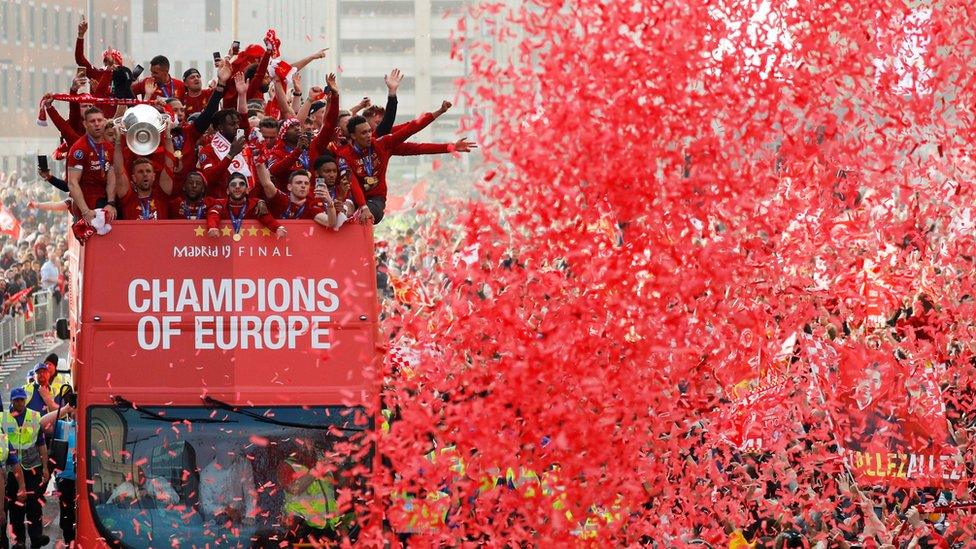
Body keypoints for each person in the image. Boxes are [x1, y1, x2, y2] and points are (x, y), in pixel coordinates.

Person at [334, 102, 452, 224]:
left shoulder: (381, 143)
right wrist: (362, 206)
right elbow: (352, 183)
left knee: (367, 216)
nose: (369, 135)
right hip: (354, 197)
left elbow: (410, 129)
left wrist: (440, 114)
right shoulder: (343, 155)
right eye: (364, 133)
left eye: (369, 131)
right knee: (345, 210)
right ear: (353, 135)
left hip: (376, 199)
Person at [5, 388, 49, 549]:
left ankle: (36, 537)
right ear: (11, 401)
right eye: (16, 400)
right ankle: (19, 541)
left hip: (32, 468)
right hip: (12, 471)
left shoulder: (34, 416)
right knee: (16, 507)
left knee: (34, 504)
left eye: (22, 400)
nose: (19, 403)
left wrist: (45, 467)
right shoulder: (3, 418)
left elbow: (41, 444)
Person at [278, 440, 343, 544]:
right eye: (303, 437)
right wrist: (317, 470)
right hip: (302, 530)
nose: (307, 441)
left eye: (311, 438)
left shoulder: (323, 459)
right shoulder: (287, 465)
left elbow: (338, 486)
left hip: (331, 527)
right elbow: (294, 488)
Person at [67, 107, 118, 224]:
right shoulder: (79, 149)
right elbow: (72, 182)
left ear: (104, 122)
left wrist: (110, 203)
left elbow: (111, 177)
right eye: (92, 121)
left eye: (99, 120)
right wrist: (85, 211)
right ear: (85, 124)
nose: (97, 124)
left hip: (104, 200)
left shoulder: (109, 147)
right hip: (86, 203)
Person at [206, 172, 286, 240]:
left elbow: (266, 217)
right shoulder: (219, 204)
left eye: (241, 184)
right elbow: (213, 215)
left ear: (247, 190)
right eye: (233, 185)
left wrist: (278, 228)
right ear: (227, 191)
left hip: (249, 246)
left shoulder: (255, 204)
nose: (237, 187)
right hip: (225, 247)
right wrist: (212, 227)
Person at [255, 164, 336, 227]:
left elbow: (330, 222)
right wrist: (259, 159)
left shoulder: (310, 208)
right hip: (275, 245)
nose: (303, 186)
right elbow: (266, 184)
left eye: (306, 183)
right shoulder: (281, 199)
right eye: (299, 183)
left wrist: (329, 202)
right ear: (289, 187)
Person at [199, 445, 258, 526]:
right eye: (225, 451)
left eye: (232, 450)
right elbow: (206, 505)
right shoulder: (207, 473)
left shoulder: (243, 464)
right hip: (216, 524)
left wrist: (250, 515)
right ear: (217, 451)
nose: (230, 454)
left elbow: (250, 491)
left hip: (242, 520)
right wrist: (226, 510)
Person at [74, 16, 120, 98]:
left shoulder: (123, 79)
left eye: (112, 62)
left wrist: (99, 91)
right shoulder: (98, 74)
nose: (109, 65)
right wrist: (80, 35)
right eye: (106, 61)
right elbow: (80, 59)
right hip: (96, 110)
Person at [106, 465, 178, 506]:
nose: (135, 474)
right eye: (131, 472)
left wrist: (154, 496)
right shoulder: (124, 487)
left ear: (143, 471)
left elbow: (175, 498)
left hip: (157, 518)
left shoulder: (157, 481)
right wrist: (119, 500)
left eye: (138, 470)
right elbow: (109, 505)